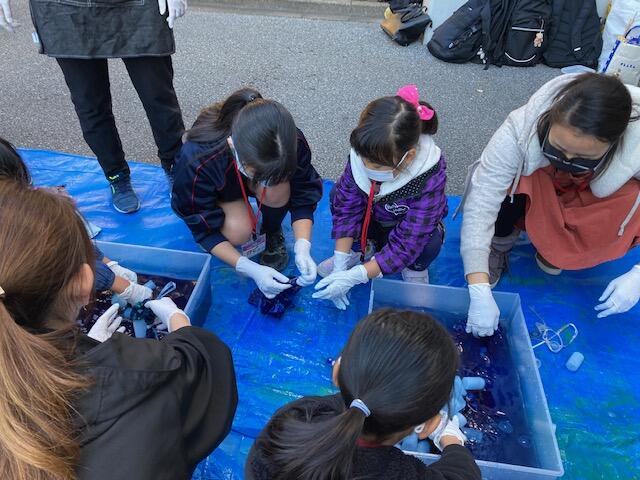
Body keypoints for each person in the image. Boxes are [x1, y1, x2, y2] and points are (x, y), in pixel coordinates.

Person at [0, 180, 238, 480]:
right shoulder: (141, 379)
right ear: (84, 282)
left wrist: (83, 347)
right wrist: (180, 323)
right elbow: (204, 375)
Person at [460, 72, 640, 337]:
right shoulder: (521, 128)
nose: (566, 158)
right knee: (510, 178)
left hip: (590, 193)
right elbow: (483, 198)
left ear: (615, 143)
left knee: (631, 195)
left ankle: (557, 245)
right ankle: (499, 244)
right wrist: (478, 286)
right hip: (541, 184)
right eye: (558, 147)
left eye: (582, 156)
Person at [245, 308, 481, 480]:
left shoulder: (294, 418)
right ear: (424, 424)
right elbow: (462, 475)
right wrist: (451, 440)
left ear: (337, 372)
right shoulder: (403, 474)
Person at [3, 0, 187, 213]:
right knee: (89, 102)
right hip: (64, 8)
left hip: (138, 7)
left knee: (158, 96)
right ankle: (116, 174)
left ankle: (176, 166)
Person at [172, 88, 323, 299]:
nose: (267, 183)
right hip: (222, 191)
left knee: (277, 190)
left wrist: (303, 245)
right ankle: (237, 220)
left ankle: (271, 230)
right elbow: (200, 224)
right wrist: (248, 267)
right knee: (239, 232)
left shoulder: (290, 142)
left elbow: (304, 191)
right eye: (260, 174)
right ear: (232, 145)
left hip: (240, 172)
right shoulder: (199, 157)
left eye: (276, 175)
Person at [313, 85, 447, 310]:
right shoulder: (366, 150)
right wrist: (340, 264)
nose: (366, 168)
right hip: (372, 221)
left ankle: (414, 268)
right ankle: (359, 250)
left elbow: (411, 239)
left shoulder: (429, 176)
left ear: (408, 157)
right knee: (338, 194)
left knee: (429, 239)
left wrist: (358, 276)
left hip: (404, 229)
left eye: (376, 166)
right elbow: (347, 208)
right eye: (363, 160)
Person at [0, 136, 152, 304]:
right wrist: (122, 286)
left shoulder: (19, 211)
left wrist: (110, 265)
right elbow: (67, 265)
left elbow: (72, 243)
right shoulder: (18, 236)